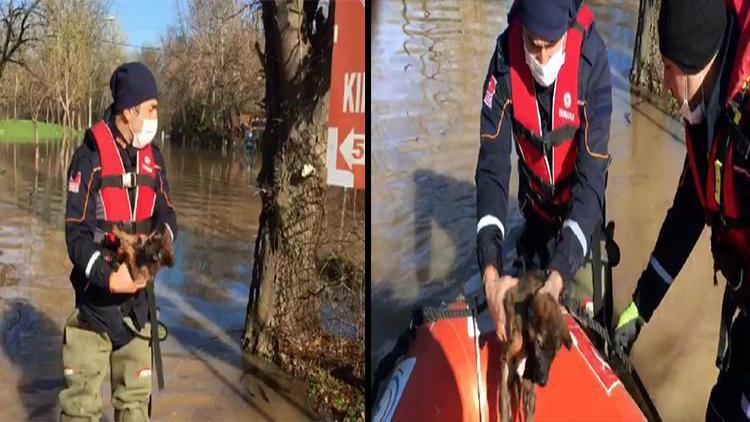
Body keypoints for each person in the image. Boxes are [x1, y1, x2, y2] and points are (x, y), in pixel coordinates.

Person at [613, 0, 750, 419]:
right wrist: (639, 309)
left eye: (669, 66)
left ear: (694, 61)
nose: (665, 81)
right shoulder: (707, 116)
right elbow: (689, 213)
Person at [476, 0, 612, 342]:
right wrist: (490, 272)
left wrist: (558, 276)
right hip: (536, 212)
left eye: (550, 45)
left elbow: (592, 183)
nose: (541, 58)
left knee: (587, 329)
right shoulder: (504, 63)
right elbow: (492, 169)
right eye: (532, 45)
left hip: (579, 220)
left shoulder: (592, 64)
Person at [59, 62, 177, 421]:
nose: (157, 116)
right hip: (94, 309)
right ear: (129, 111)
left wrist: (155, 252)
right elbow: (75, 234)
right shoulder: (89, 158)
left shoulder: (153, 160)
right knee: (80, 411)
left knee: (135, 410)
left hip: (138, 314)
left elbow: (169, 217)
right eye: (152, 108)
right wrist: (109, 277)